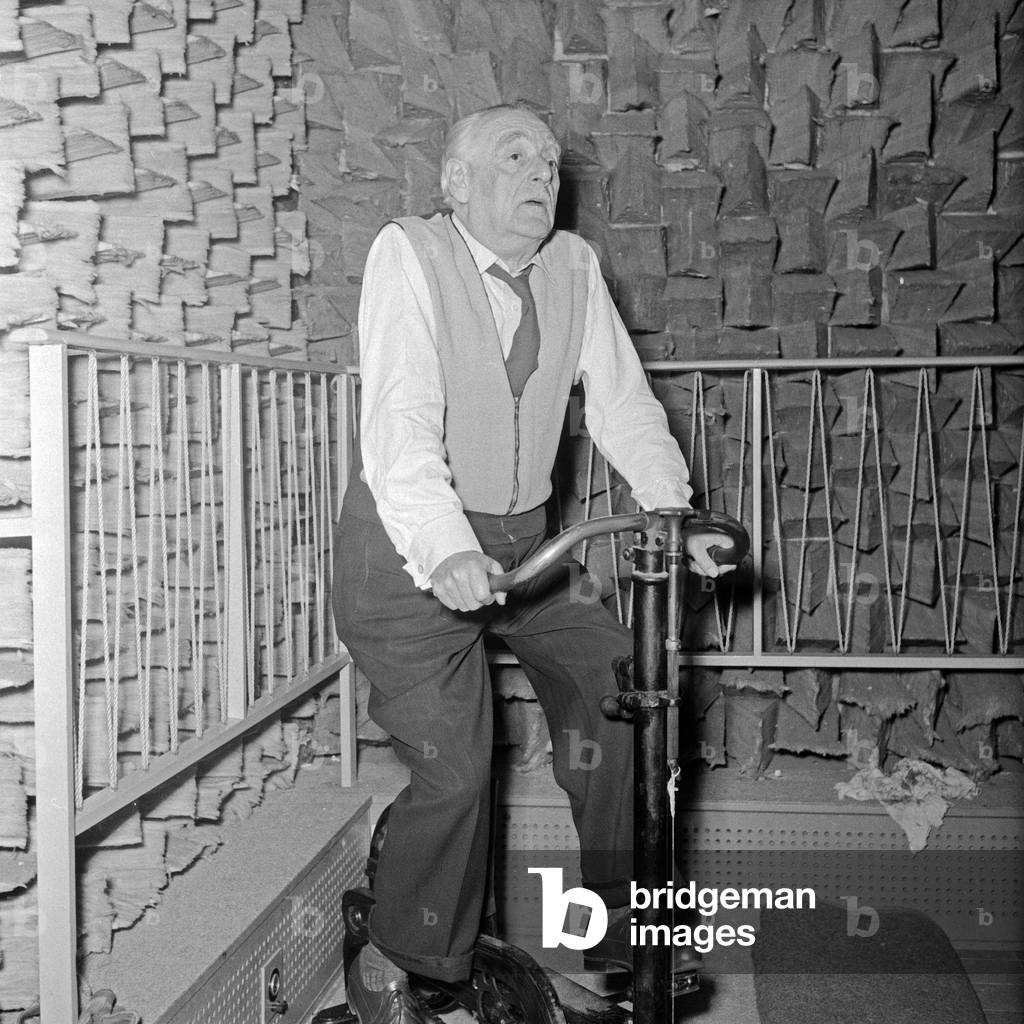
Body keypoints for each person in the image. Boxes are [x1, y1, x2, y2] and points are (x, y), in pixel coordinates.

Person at [332, 104, 730, 1024]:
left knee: (623, 694)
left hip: (529, 550)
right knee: (460, 766)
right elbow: (398, 433)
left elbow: (625, 407)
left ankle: (627, 942)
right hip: (405, 546)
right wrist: (446, 550)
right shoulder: (412, 255)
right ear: (456, 181)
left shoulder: (573, 268)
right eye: (514, 155)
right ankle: (408, 962)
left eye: (549, 161)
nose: (540, 173)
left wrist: (675, 514)